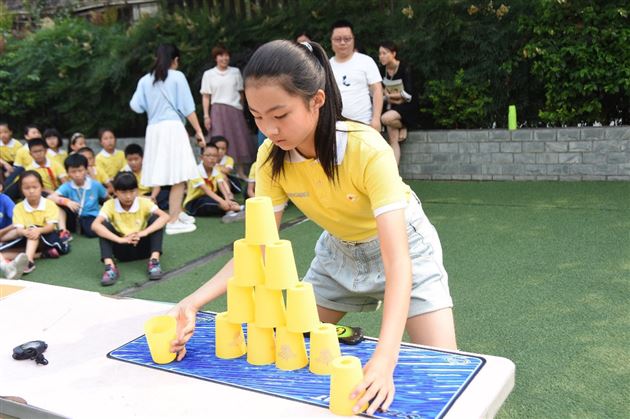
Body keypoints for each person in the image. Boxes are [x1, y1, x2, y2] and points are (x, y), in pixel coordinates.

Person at [167, 40, 457, 416]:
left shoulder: (367, 150)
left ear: (316, 100)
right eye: (256, 116)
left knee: (444, 375)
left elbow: (397, 260)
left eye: (280, 114)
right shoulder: (270, 158)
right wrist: (191, 302)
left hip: (407, 252)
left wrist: (386, 359)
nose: (269, 128)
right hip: (338, 254)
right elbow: (258, 247)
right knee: (287, 351)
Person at [130, 43, 202, 235]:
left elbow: (136, 105)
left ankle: (176, 213)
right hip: (173, 128)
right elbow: (188, 108)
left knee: (166, 173)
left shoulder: (145, 80)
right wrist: (199, 131)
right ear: (175, 60)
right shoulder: (177, 77)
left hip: (154, 129)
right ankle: (174, 219)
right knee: (179, 175)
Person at [91, 172, 170, 286]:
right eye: (123, 192)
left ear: (137, 190)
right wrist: (120, 240)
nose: (128, 196)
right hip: (122, 250)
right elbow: (95, 225)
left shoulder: (144, 202)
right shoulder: (109, 204)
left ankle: (154, 261)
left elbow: (165, 216)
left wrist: (144, 232)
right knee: (102, 225)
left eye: (132, 191)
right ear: (116, 192)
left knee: (156, 218)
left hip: (144, 246)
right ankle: (110, 267)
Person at [200, 45, 255, 180]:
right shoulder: (209, 74)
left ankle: (240, 172)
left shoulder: (235, 72)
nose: (224, 58)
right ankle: (215, 172)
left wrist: (240, 107)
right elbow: (206, 96)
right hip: (217, 110)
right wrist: (206, 115)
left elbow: (241, 92)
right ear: (216, 58)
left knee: (238, 140)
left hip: (234, 109)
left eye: (226, 55)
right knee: (218, 139)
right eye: (221, 55)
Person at [328, 20, 383, 131]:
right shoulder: (326, 66)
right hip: (335, 127)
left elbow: (377, 90)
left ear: (353, 40)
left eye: (347, 39)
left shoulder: (366, 61)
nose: (342, 43)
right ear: (331, 41)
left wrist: (376, 118)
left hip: (363, 124)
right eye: (338, 39)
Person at [12, 170, 69, 274]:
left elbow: (51, 226)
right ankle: (41, 254)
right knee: (4, 252)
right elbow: (19, 229)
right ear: (21, 189)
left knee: (33, 230)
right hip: (28, 238)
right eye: (27, 188)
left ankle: (29, 262)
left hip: (49, 238)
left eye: (35, 187)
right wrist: (24, 232)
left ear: (41, 187)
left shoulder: (49, 204)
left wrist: (38, 230)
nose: (31, 191)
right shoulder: (18, 207)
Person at [48, 153, 108, 238]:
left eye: (80, 170)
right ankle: (63, 231)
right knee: (58, 203)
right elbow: (50, 197)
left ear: (86, 170)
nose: (77, 174)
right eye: (73, 171)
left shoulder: (95, 185)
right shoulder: (67, 186)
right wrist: (67, 202)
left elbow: (107, 198)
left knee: (91, 232)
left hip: (90, 215)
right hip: (73, 215)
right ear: (67, 172)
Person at [378, 41, 418, 165]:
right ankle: (394, 174)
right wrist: (387, 97)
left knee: (384, 118)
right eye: (380, 54)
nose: (381, 56)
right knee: (393, 141)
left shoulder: (405, 67)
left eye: (385, 53)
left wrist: (393, 95)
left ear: (394, 53)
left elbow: (409, 94)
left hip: (407, 106)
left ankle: (404, 125)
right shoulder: (381, 70)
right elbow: (379, 92)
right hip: (391, 105)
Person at [182, 142, 243, 221]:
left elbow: (221, 185)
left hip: (212, 197)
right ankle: (240, 208)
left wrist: (227, 199)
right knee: (207, 202)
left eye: (215, 156)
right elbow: (206, 190)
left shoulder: (216, 170)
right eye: (208, 155)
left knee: (221, 199)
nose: (212, 158)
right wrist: (222, 201)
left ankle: (229, 211)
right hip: (194, 202)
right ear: (201, 157)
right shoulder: (195, 171)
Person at [122, 143, 168, 210]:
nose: (133, 162)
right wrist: (146, 199)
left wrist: (152, 197)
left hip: (150, 195)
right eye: (130, 160)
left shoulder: (148, 168)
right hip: (135, 197)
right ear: (126, 159)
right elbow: (127, 192)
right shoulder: (125, 172)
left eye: (136, 159)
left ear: (142, 158)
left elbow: (157, 186)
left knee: (166, 193)